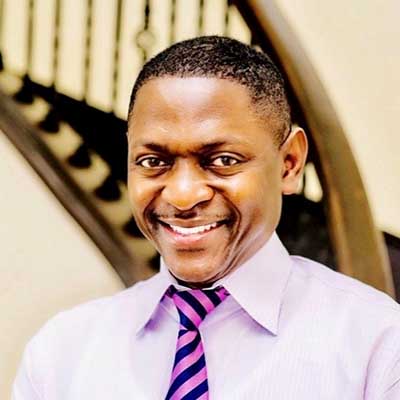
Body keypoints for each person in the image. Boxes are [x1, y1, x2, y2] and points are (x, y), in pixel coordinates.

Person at [13, 36, 400, 400]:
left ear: (289, 164)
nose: (182, 195)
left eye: (222, 161)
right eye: (153, 162)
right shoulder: (60, 355)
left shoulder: (377, 347)